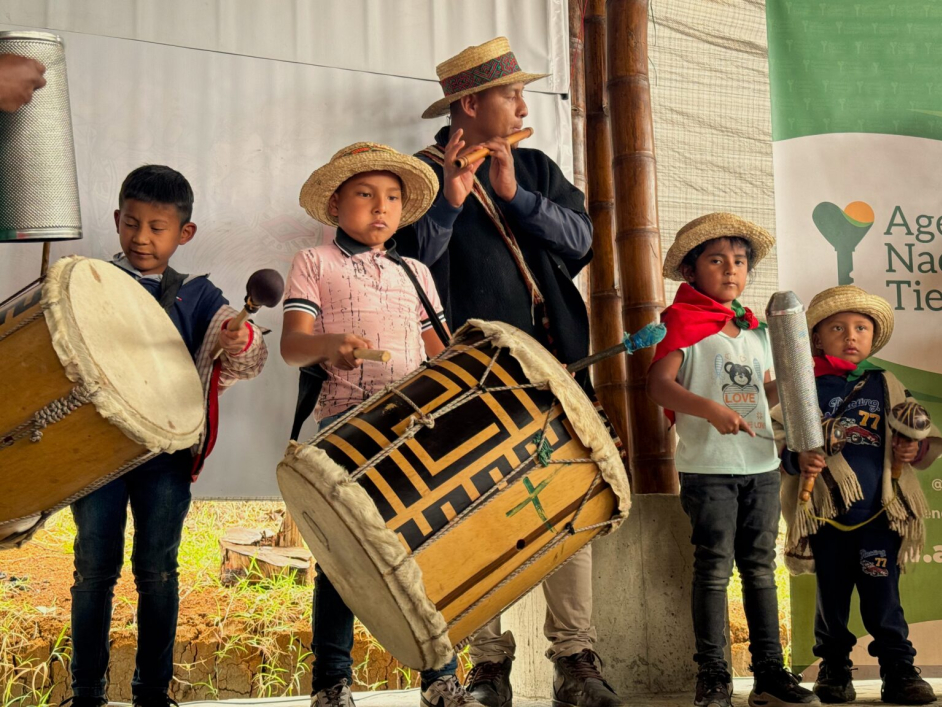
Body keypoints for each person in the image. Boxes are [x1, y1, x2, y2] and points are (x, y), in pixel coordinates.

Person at [396, 37, 621, 707]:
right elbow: (406, 267)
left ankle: (575, 657)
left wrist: (516, 195)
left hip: (555, 370)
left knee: (567, 500)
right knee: (469, 506)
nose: (523, 104)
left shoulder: (535, 166)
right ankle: (487, 663)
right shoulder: (416, 175)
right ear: (470, 104)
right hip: (466, 376)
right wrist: (450, 203)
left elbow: (582, 241)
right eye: (510, 93)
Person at [280, 142, 482, 707]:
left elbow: (439, 350)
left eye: (392, 197)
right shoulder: (314, 263)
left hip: (415, 424)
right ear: (336, 204)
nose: (380, 208)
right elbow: (293, 346)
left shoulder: (415, 271)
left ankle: (441, 676)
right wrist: (328, 346)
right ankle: (331, 682)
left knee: (427, 545)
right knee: (342, 555)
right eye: (365, 195)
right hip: (346, 424)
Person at [66, 165, 268, 707]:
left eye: (158, 227)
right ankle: (86, 693)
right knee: (93, 571)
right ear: (116, 219)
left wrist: (237, 335)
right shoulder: (89, 283)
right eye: (131, 223)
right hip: (98, 452)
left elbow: (247, 357)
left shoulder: (200, 298)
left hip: (166, 457)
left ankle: (152, 693)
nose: (141, 237)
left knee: (157, 571)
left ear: (185, 234)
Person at [646, 213, 818, 707]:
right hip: (709, 468)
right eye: (717, 260)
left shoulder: (758, 330)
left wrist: (794, 383)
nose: (730, 270)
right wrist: (709, 409)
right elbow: (659, 386)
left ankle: (769, 672)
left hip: (761, 465)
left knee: (761, 569)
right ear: (692, 270)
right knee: (714, 568)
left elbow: (763, 391)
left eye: (739, 261)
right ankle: (715, 676)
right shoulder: (680, 323)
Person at [775, 285, 939, 706]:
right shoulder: (802, 386)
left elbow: (917, 430)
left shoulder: (885, 383)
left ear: (872, 337)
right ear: (815, 337)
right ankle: (833, 667)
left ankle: (899, 669)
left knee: (884, 596)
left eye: (861, 328)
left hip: (878, 515)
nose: (851, 335)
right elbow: (777, 439)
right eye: (838, 327)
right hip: (826, 515)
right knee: (831, 598)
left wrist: (910, 449)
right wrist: (797, 458)